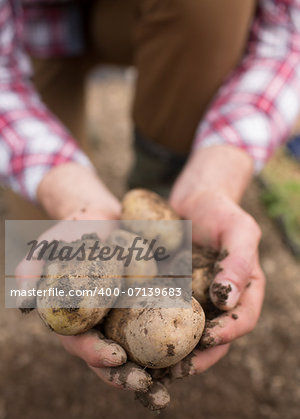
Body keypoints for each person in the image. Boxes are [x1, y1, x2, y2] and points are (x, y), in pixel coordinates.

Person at [1, 0, 299, 398]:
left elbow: (285, 40)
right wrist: (62, 187)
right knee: (35, 236)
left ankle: (171, 182)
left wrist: (220, 171)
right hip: (31, 31)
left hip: (152, 14)